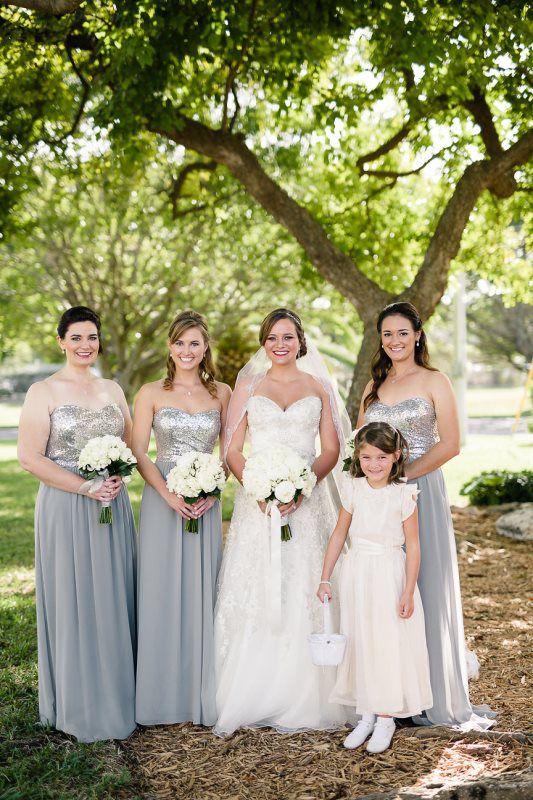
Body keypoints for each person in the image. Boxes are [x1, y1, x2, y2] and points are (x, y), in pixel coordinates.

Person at [214, 308, 353, 736]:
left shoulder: (319, 386)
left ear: (301, 341)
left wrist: (304, 486)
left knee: (306, 583)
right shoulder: (249, 386)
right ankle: (254, 688)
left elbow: (330, 448)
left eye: (288, 336)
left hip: (307, 504)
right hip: (258, 508)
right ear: (264, 342)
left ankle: (312, 688)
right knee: (258, 586)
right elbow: (233, 448)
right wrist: (258, 488)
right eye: (273, 337)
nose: (280, 344)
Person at [357, 301, 494, 729]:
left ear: (418, 334)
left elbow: (451, 443)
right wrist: (378, 483)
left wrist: (403, 476)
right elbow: (360, 442)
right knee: (386, 590)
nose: (394, 341)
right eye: (386, 334)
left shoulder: (436, 380)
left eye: (401, 332)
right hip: (379, 500)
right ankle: (389, 697)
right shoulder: (373, 386)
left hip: (420, 490)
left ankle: (430, 695)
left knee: (425, 584)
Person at [17, 306, 136, 742]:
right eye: (76, 338)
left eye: (92, 337)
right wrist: (84, 488)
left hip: (112, 504)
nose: (85, 345)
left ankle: (121, 694)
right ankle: (81, 704)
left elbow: (129, 443)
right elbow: (29, 458)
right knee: (76, 599)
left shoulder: (112, 389)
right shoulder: (42, 391)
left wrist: (117, 476)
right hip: (67, 506)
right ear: (61, 341)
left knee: (112, 595)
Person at [133, 310, 231, 726]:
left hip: (205, 504)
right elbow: (138, 451)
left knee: (202, 589)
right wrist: (168, 494)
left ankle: (198, 692)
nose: (187, 351)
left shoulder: (222, 393)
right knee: (159, 589)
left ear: (205, 347)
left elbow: (228, 454)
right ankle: (159, 695)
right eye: (179, 343)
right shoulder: (151, 392)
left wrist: (213, 490)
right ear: (169, 347)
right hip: (162, 499)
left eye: (194, 343)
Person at [317, 422, 433, 753]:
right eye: (367, 457)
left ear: (396, 457)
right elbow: (339, 534)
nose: (374, 465)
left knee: (386, 642)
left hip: (389, 573)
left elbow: (413, 544)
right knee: (360, 639)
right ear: (358, 457)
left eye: (382, 457)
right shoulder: (353, 489)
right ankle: (365, 715)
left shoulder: (403, 493)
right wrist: (325, 577)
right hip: (357, 572)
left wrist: (408, 590)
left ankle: (385, 719)